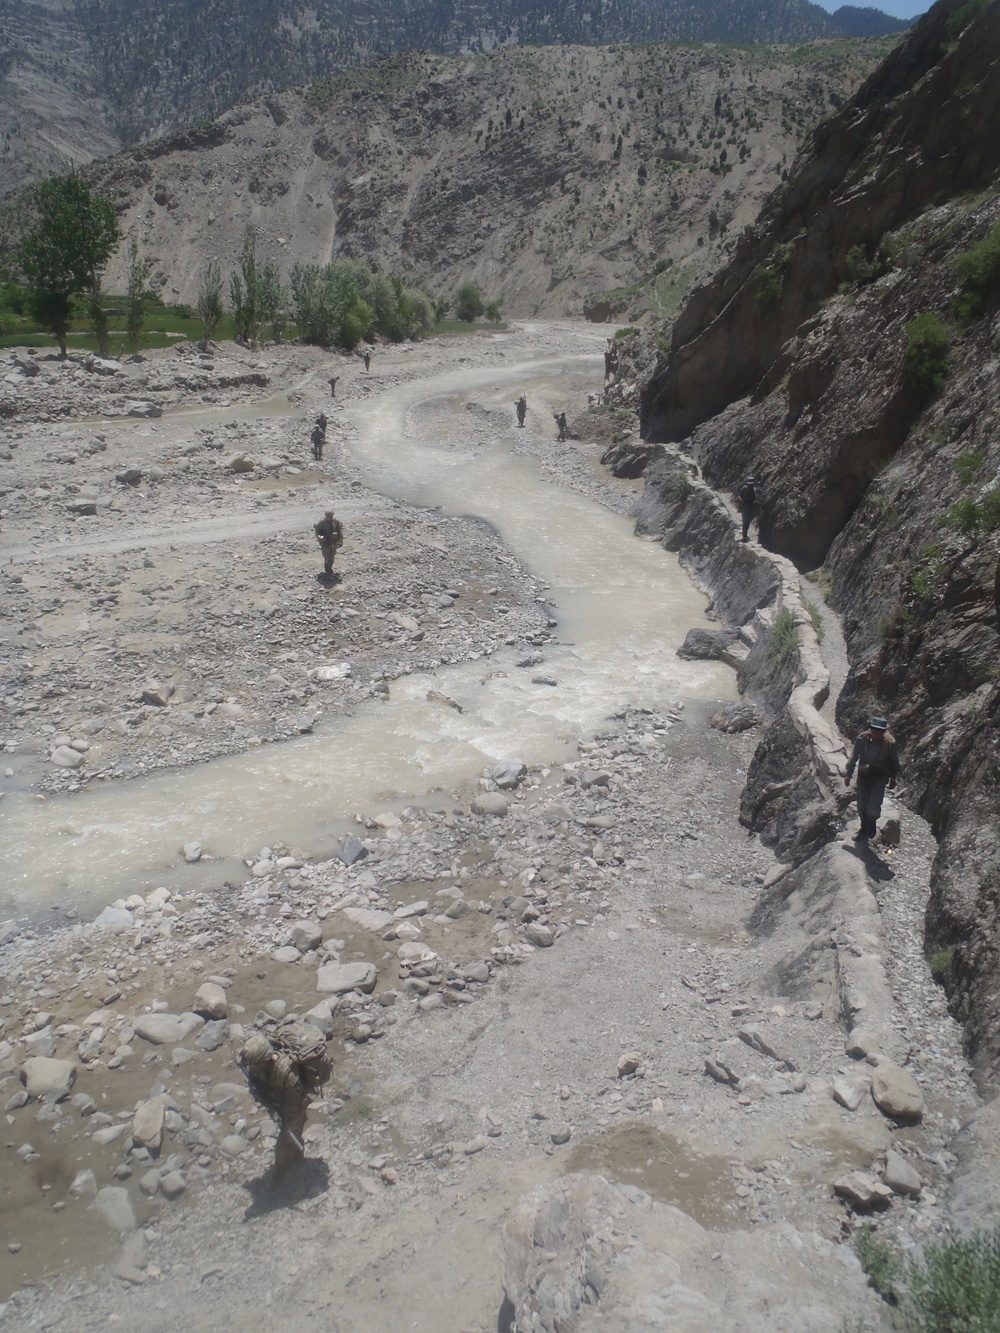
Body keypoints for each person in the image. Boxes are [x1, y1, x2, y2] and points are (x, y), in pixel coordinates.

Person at [237, 1019, 330, 1175]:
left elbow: (294, 1102)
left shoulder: (286, 1074)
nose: (252, 1068)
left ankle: (286, 1172)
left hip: (296, 1101)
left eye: (255, 1064)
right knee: (291, 1136)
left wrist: (286, 1121)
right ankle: (296, 1163)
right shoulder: (263, 1065)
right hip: (284, 1096)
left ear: (265, 1061)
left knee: (288, 1137)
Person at [844, 716, 899, 842]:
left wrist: (893, 778)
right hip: (864, 776)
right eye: (874, 733)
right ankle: (864, 827)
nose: (876, 735)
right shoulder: (862, 739)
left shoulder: (890, 743)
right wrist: (848, 773)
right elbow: (854, 757)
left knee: (874, 805)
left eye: (879, 733)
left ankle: (872, 822)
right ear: (870, 730)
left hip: (880, 777)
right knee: (861, 804)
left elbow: (894, 762)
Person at [315, 509, 344, 577]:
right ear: (326, 516)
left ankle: (330, 568)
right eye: (328, 516)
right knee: (327, 556)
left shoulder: (336, 522)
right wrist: (320, 538)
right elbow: (317, 532)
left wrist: (340, 541)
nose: (330, 517)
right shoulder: (321, 523)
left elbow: (340, 532)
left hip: (333, 542)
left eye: (331, 516)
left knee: (332, 556)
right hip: (325, 543)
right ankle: (327, 570)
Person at [737, 475, 760, 543]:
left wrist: (755, 502)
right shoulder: (744, 489)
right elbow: (739, 496)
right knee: (745, 521)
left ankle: (745, 533)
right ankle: (744, 535)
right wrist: (741, 500)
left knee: (748, 521)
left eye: (751, 485)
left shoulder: (755, 490)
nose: (750, 486)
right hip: (745, 507)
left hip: (751, 508)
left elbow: (756, 499)